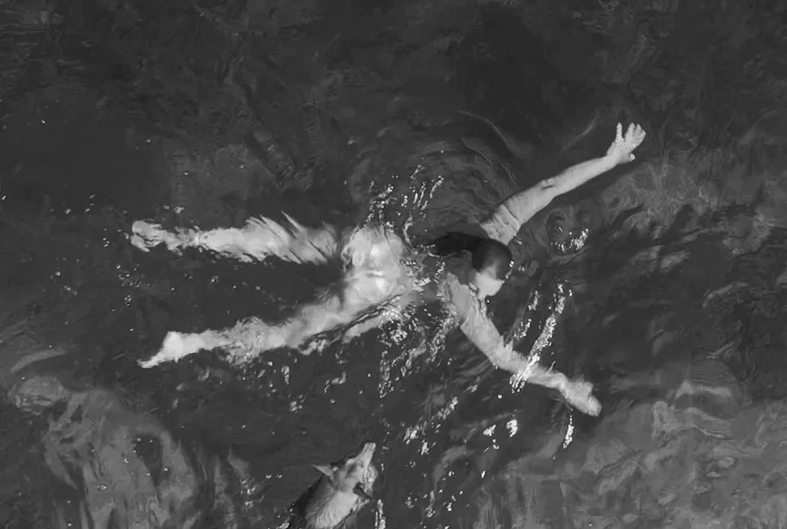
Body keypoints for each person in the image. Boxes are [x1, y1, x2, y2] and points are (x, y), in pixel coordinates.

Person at [130, 122, 646, 416]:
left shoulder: (493, 227)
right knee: (290, 333)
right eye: (485, 288)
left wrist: (610, 158)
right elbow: (506, 360)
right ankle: (192, 343)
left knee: (280, 239)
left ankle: (178, 238)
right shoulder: (463, 302)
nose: (486, 296)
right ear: (474, 275)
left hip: (375, 246)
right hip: (376, 285)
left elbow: (552, 187)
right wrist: (561, 384)